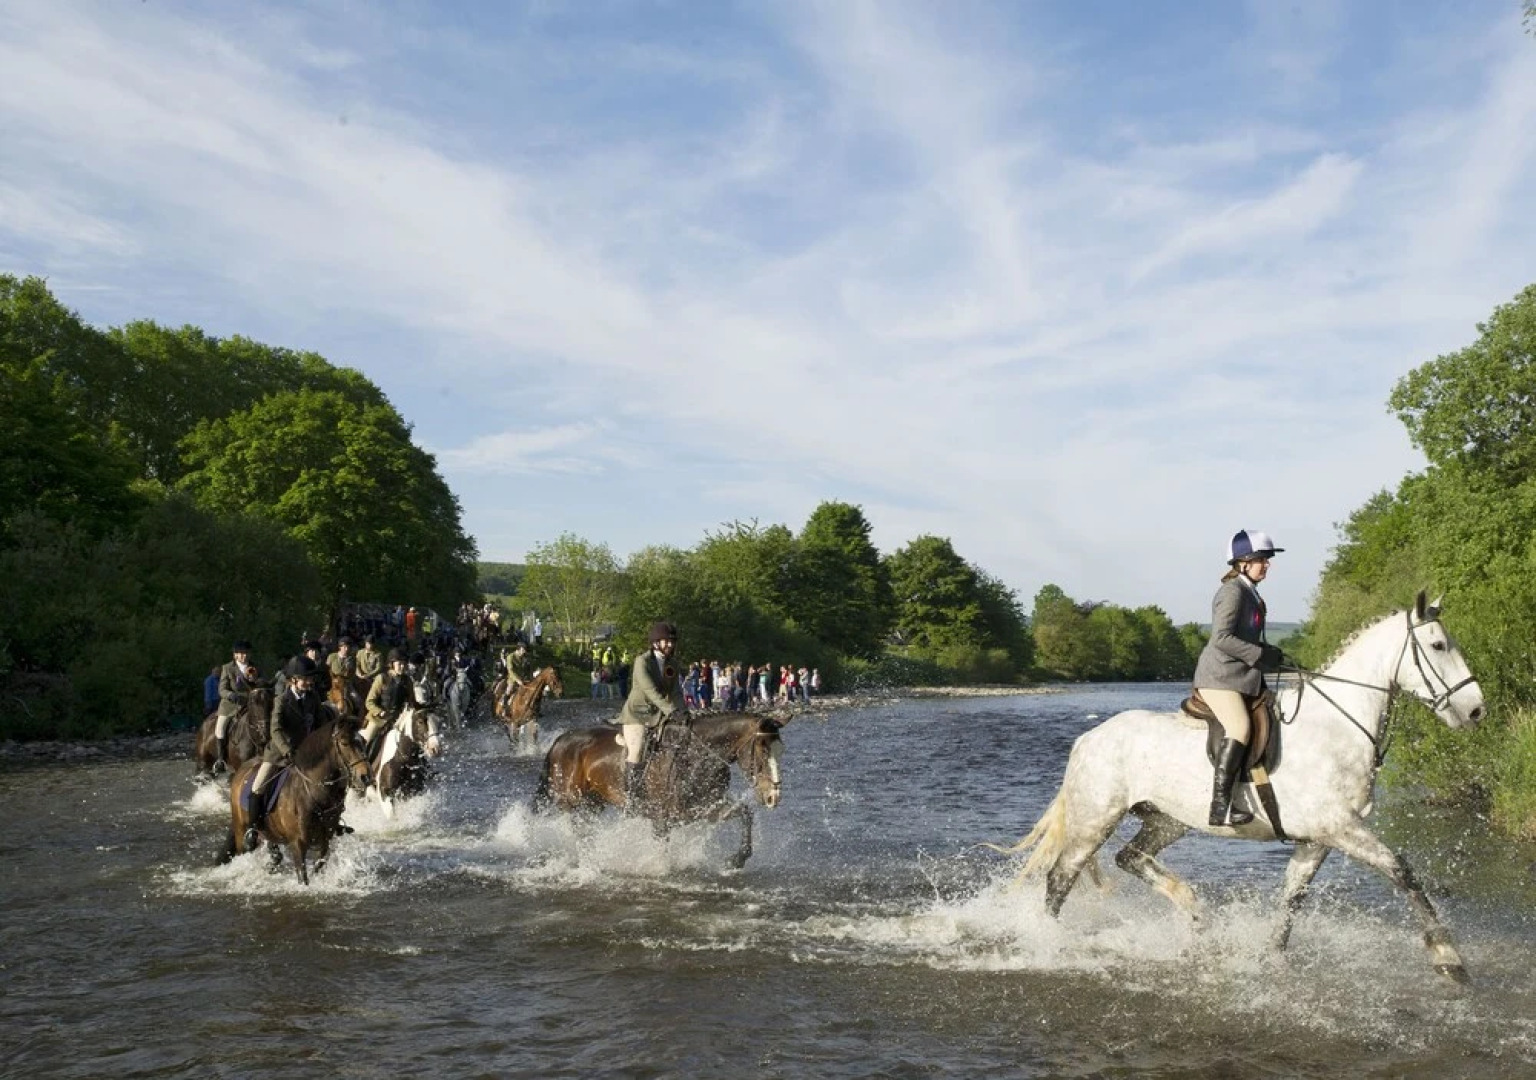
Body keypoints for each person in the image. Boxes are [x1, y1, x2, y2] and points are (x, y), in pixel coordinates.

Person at [1191, 529, 1287, 827]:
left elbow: (1247, 638)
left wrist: (1272, 655)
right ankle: (1222, 806)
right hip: (1220, 677)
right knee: (1240, 727)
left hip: (1242, 676)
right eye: (1261, 560)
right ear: (1243, 563)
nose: (1267, 565)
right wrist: (1259, 654)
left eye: (1267, 560)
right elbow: (1221, 638)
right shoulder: (1233, 591)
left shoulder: (1250, 592)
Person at [244, 655, 323, 848]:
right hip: (279, 753)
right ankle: (253, 829)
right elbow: (275, 730)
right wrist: (288, 750)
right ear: (293, 680)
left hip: (307, 753)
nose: (309, 682)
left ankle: (333, 822)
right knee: (258, 786)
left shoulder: (313, 698)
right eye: (305, 679)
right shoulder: (281, 700)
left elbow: (321, 724)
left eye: (311, 678)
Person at [614, 621, 689, 813]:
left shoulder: (672, 663)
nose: (670, 645)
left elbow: (677, 692)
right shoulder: (642, 661)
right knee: (637, 751)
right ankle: (631, 798)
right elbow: (650, 691)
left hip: (660, 714)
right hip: (637, 714)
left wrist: (683, 712)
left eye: (672, 641)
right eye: (666, 641)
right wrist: (671, 711)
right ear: (656, 642)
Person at [213, 640, 256, 773]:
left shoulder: (255, 668)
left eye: (246, 653)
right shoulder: (227, 668)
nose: (244, 656)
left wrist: (255, 680)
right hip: (230, 706)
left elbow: (262, 683)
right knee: (220, 728)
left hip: (249, 705)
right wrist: (231, 695)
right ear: (235, 655)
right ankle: (220, 759)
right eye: (241, 654)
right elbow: (222, 689)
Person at [362, 647, 413, 751]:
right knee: (366, 743)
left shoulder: (407, 681)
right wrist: (380, 712)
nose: (402, 667)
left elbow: (411, 701)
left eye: (404, 664)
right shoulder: (382, 678)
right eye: (399, 664)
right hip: (378, 720)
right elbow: (369, 702)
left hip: (398, 719)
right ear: (392, 664)